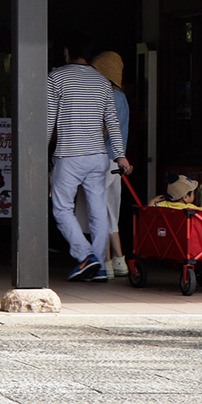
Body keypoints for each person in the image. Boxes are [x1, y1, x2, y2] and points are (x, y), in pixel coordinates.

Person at [47, 44, 128, 283]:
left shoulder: (56, 77)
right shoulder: (103, 82)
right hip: (99, 157)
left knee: (61, 207)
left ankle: (86, 256)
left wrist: (39, 152)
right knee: (98, 210)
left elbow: (49, 117)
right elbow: (113, 122)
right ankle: (101, 267)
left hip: (69, 155)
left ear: (66, 52)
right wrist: (121, 155)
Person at [89, 50, 133, 276]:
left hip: (101, 160)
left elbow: (102, 130)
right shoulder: (122, 97)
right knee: (111, 212)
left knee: (99, 212)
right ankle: (120, 261)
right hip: (115, 162)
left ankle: (105, 262)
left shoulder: (105, 96)